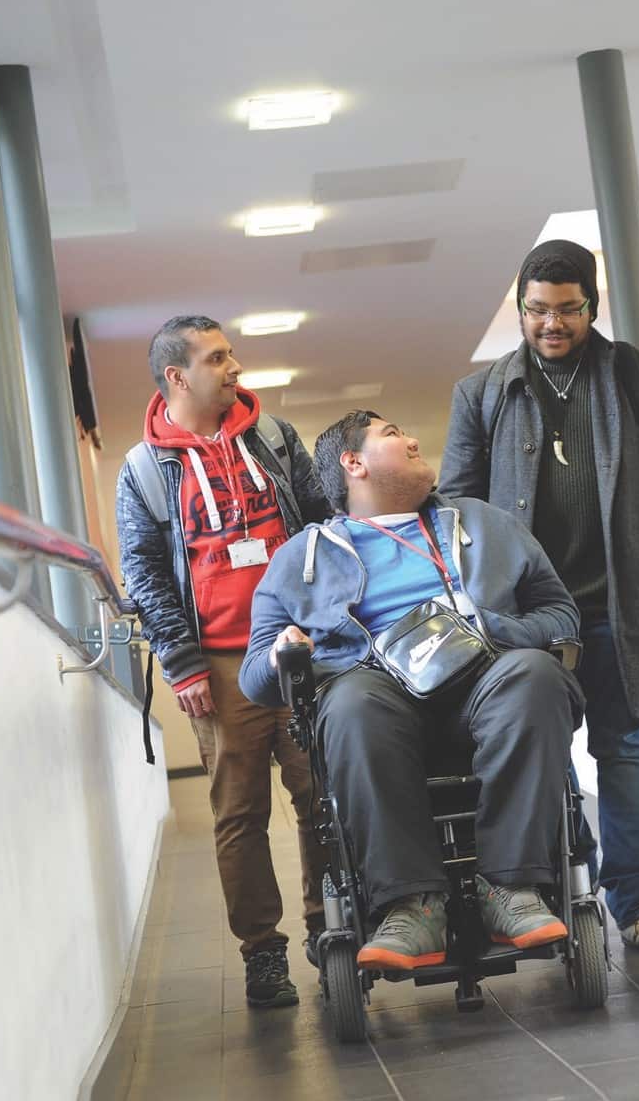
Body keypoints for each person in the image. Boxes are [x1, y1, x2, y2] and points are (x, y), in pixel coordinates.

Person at [439, 239, 639, 954]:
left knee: (628, 749)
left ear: (592, 306)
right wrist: (485, 591)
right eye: (537, 311)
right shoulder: (483, 393)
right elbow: (455, 508)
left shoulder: (638, 376)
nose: (552, 325)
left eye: (567, 310)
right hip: (526, 623)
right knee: (542, 753)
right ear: (521, 308)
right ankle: (577, 878)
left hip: (617, 610)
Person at [239, 411, 585, 972]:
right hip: (376, 691)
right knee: (348, 703)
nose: (414, 438)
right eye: (393, 434)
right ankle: (413, 906)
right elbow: (256, 680)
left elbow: (559, 613)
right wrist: (284, 651)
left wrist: (488, 625)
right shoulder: (299, 559)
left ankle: (511, 890)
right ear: (353, 464)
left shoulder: (484, 523)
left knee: (535, 674)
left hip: (485, 675)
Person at [116, 315, 332, 1008]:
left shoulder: (273, 438)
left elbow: (324, 524)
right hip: (220, 662)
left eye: (231, 352)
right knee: (240, 812)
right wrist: (180, 663)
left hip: (299, 650)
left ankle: (331, 929)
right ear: (177, 377)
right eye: (217, 357)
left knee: (321, 796)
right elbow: (144, 572)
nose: (235, 365)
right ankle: (262, 952)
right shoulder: (146, 469)